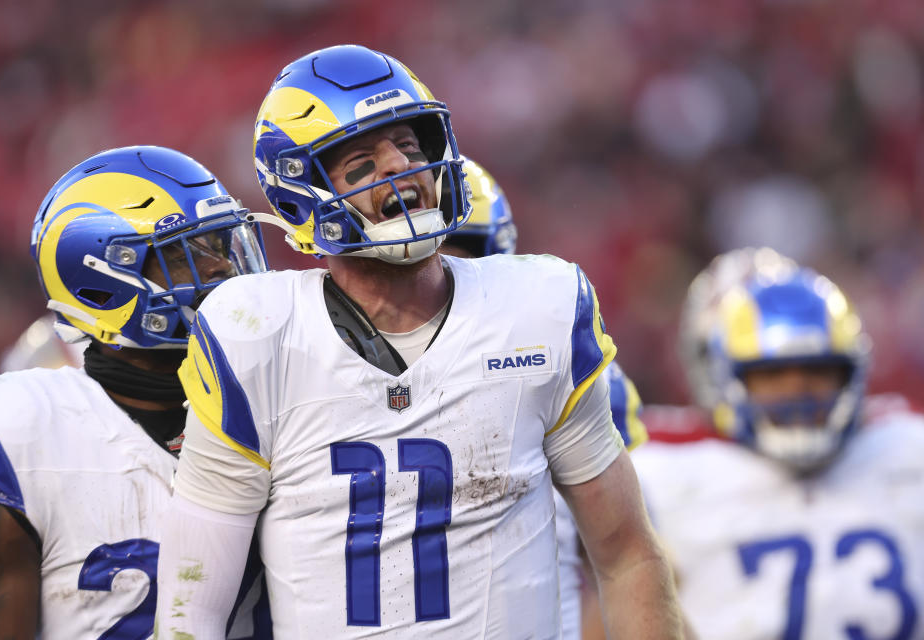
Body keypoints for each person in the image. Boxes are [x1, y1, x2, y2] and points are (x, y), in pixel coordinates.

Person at [154, 44, 685, 639]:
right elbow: (190, 611)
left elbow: (626, 555)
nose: (398, 167)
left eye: (409, 147)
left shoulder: (541, 307)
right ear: (299, 190)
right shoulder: (255, 335)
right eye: (361, 160)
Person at [0, 145, 270, 639]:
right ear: (100, 283)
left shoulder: (281, 397)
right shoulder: (14, 431)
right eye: (183, 254)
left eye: (220, 246)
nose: (220, 270)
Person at [632, 250, 924, 639]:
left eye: (819, 372)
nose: (797, 392)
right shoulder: (661, 471)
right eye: (772, 375)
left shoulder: (902, 444)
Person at [440, 157, 649, 640]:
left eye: (460, 251)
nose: (441, 268)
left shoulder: (561, 364)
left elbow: (625, 563)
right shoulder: (315, 366)